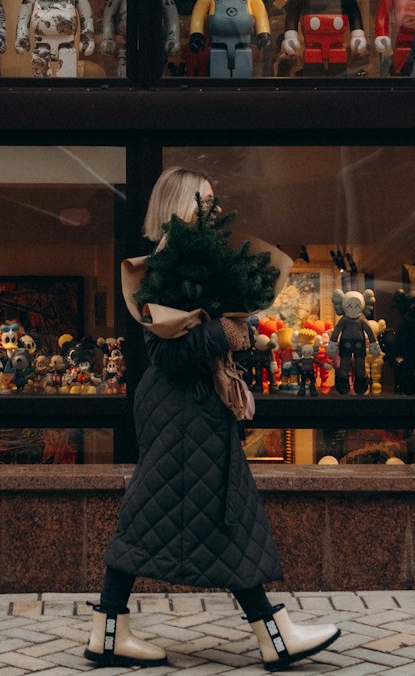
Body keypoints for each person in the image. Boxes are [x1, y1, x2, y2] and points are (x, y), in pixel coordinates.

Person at [85, 165, 341, 670]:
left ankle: (112, 631)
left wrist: (231, 331)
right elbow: (167, 354)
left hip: (190, 406)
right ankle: (273, 633)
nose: (215, 210)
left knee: (216, 513)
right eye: (205, 202)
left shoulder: (187, 266)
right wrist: (227, 331)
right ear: (180, 208)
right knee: (180, 512)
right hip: (180, 408)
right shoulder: (162, 269)